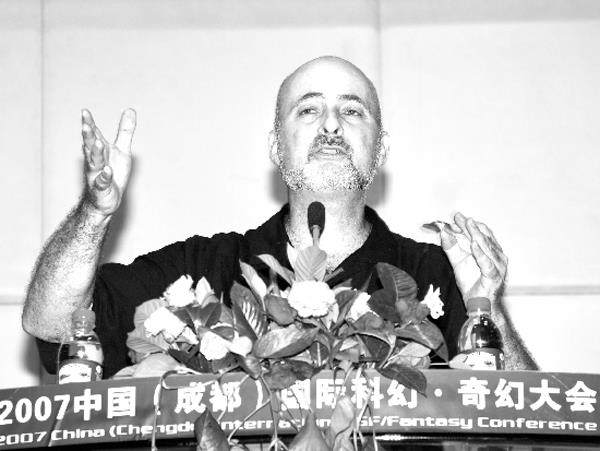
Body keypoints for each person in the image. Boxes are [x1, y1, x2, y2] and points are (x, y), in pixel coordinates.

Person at [22, 56, 536, 378]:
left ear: (380, 150)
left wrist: (486, 306)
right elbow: (51, 324)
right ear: (275, 146)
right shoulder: (204, 268)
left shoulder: (433, 276)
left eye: (352, 111)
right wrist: (94, 214)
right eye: (308, 110)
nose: (331, 125)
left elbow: (524, 420)